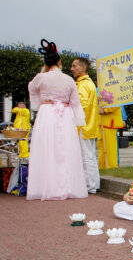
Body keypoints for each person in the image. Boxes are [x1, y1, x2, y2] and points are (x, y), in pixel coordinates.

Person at [26, 39, 88, 200]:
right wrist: (79, 119)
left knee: (46, 149)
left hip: (47, 112)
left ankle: (45, 186)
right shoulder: (69, 80)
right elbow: (75, 101)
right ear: (59, 62)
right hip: (65, 113)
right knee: (65, 150)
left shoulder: (40, 77)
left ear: (46, 63)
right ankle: (67, 186)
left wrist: (39, 102)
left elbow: (31, 88)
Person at [71, 57, 100, 194]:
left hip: (83, 126)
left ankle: (90, 186)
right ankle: (93, 184)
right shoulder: (88, 83)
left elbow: (81, 105)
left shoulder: (82, 84)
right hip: (89, 125)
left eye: (74, 66)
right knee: (90, 157)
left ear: (83, 68)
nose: (72, 68)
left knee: (86, 157)